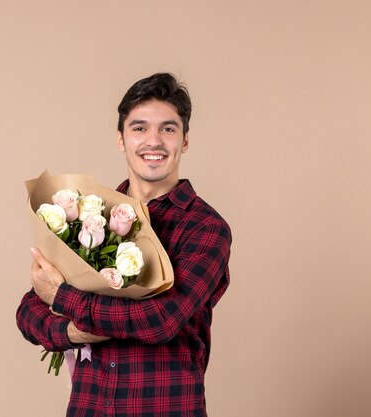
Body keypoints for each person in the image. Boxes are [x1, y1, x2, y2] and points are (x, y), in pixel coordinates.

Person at [16, 73, 232, 417]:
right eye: (140, 128)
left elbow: (161, 320)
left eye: (168, 129)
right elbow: (29, 310)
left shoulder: (205, 228)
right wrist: (72, 332)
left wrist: (63, 298)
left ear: (185, 141)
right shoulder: (91, 215)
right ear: (121, 139)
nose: (154, 141)